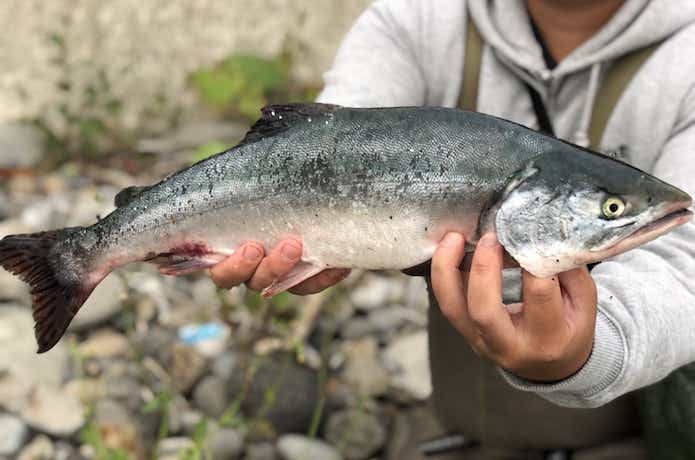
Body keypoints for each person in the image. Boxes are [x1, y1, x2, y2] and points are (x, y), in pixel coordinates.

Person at [209, 0, 695, 458]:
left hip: (645, 438)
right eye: (611, 207)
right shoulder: (421, 17)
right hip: (452, 431)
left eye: (611, 208)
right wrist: (315, 234)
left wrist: (586, 350)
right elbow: (327, 150)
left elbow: (686, 262)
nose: (614, 211)